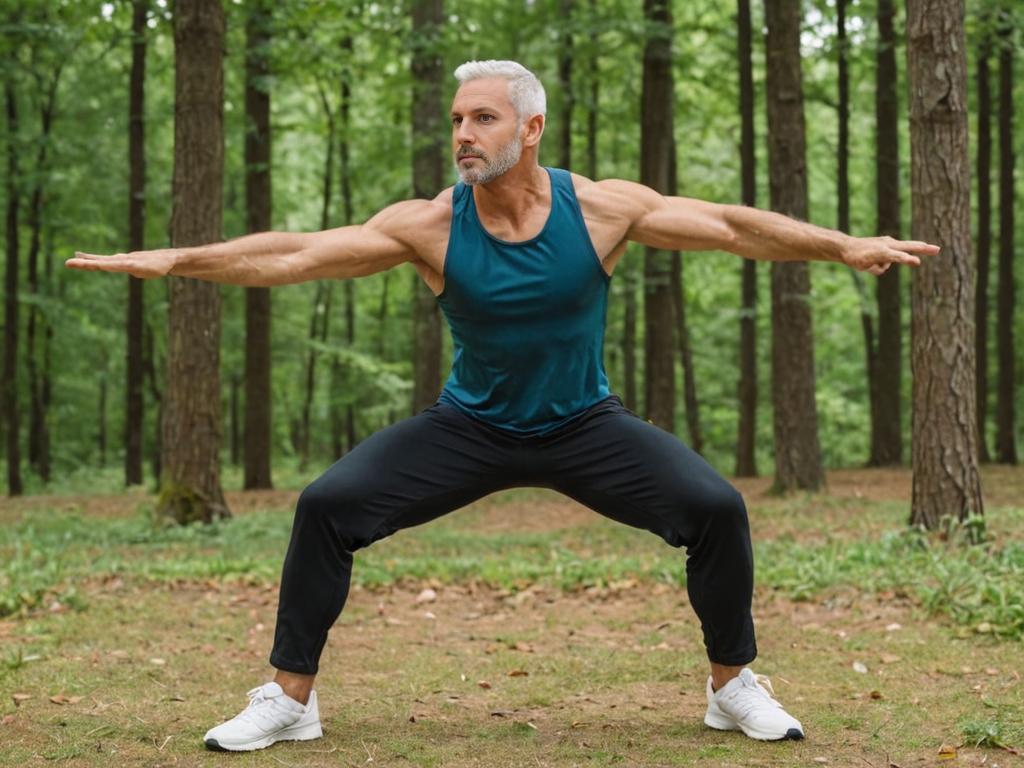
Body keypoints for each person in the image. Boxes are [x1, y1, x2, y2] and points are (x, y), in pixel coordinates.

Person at [68, 59, 936, 752]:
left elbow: (733, 226)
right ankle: (291, 701)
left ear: (531, 127)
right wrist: (179, 260)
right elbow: (296, 254)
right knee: (327, 506)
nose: (463, 135)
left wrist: (845, 245)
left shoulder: (600, 210)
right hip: (469, 427)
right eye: (455, 120)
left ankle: (731, 687)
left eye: (482, 118)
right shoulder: (430, 224)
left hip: (585, 424)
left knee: (716, 508)